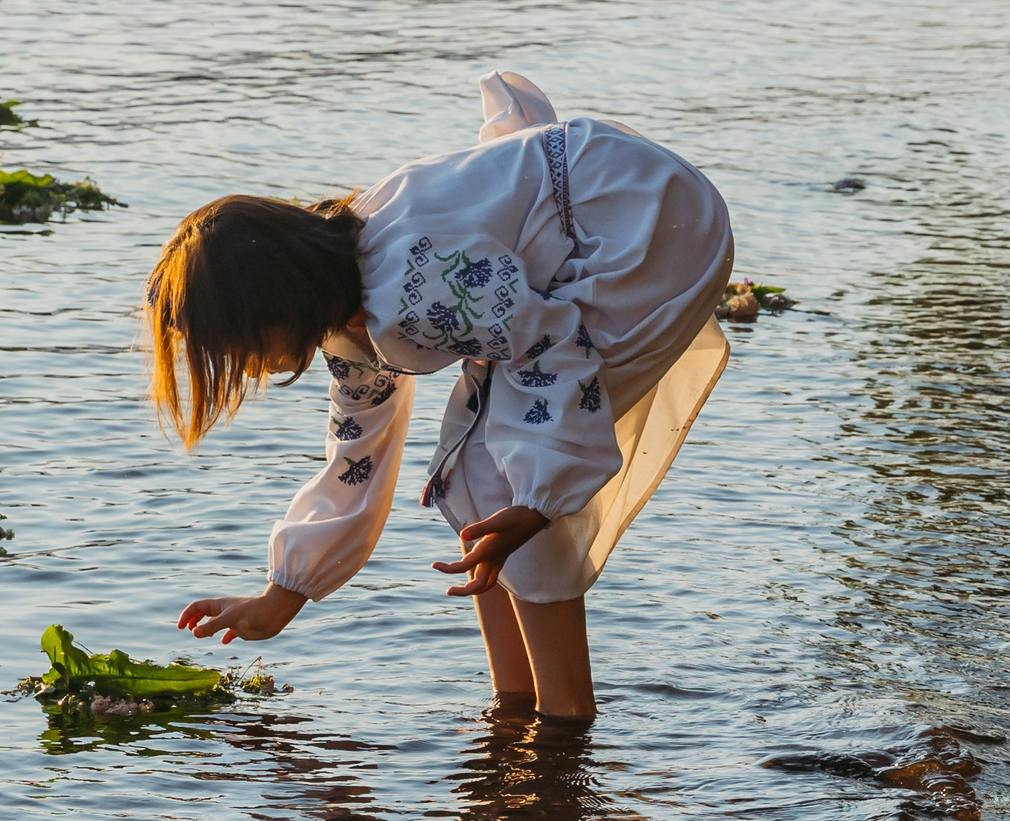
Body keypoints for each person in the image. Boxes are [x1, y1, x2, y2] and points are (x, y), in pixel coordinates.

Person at [145, 72, 734, 724]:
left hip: (650, 229)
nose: (242, 365)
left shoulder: (406, 294)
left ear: (272, 307)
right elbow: (356, 456)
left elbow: (551, 346)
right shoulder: (351, 319)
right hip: (613, 200)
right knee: (469, 469)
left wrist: (538, 501)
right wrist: (283, 592)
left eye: (233, 345)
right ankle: (514, 706)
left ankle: (565, 715)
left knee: (498, 474)